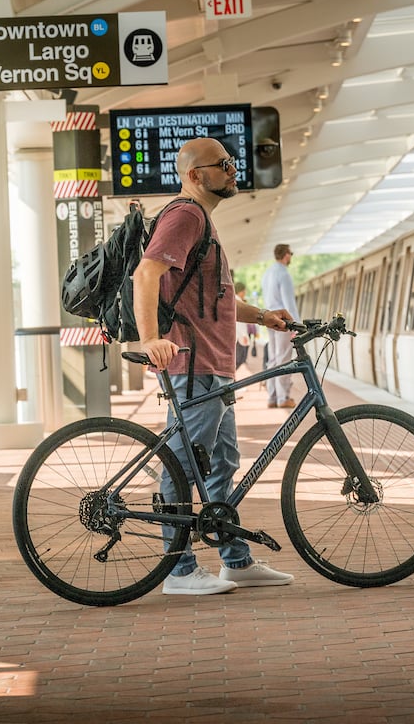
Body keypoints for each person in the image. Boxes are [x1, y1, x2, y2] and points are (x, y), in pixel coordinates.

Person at [134, 138, 295, 596]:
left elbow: (220, 297)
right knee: (182, 467)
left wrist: (265, 316)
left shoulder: (204, 222)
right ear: (195, 175)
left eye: (232, 163)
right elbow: (145, 274)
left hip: (216, 367)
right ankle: (178, 570)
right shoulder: (185, 215)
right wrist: (150, 340)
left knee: (221, 464)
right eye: (223, 165)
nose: (233, 170)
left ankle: (235, 561)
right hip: (193, 366)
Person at [261, 243, 300, 408]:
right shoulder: (283, 274)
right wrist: (296, 325)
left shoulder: (267, 273)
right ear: (286, 255)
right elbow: (288, 302)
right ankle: (283, 398)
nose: (290, 256)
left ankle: (272, 396)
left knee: (273, 359)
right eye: (290, 253)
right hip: (284, 321)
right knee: (284, 358)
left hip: (269, 318)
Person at [233, 281, 258, 371]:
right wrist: (243, 335)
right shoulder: (238, 302)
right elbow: (239, 323)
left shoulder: (235, 300)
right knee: (239, 359)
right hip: (239, 335)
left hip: (238, 335)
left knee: (239, 359)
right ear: (241, 291)